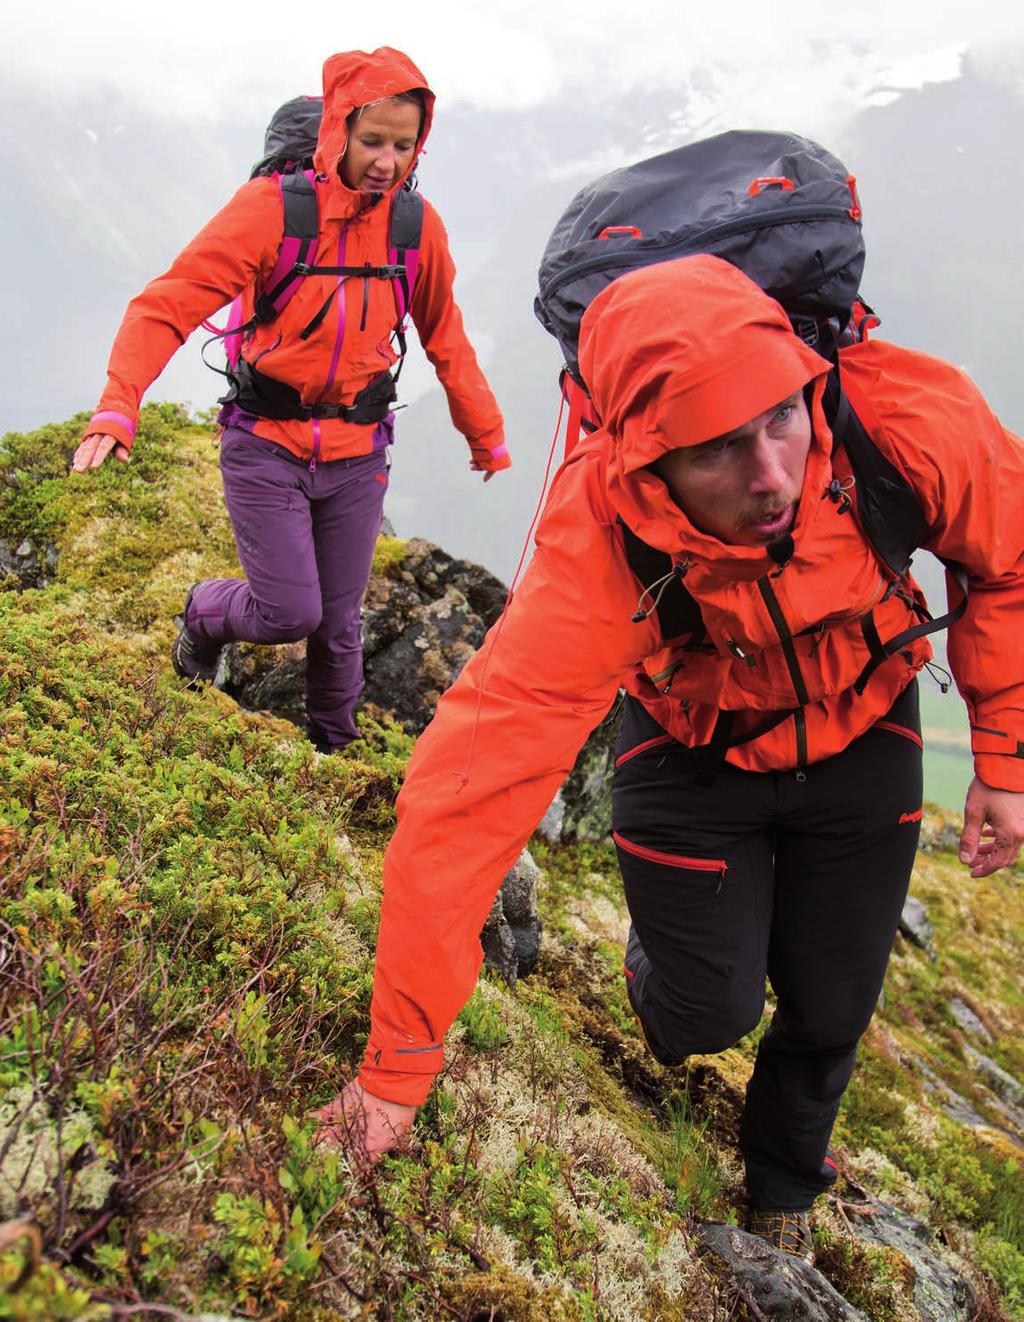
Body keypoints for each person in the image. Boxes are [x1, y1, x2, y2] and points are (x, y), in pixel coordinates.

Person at [313, 254, 1024, 1258]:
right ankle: (673, 965)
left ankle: (781, 1191)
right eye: (717, 450)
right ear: (645, 459)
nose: (771, 475)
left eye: (781, 419)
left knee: (829, 1010)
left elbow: (1009, 551)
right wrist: (393, 1073)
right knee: (699, 1017)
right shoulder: (600, 544)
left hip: (865, 724)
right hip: (693, 749)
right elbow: (467, 795)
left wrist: (999, 755)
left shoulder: (900, 416)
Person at [70, 47, 509, 752]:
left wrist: (484, 432)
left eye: (404, 145)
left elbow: (446, 336)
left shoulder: (414, 228)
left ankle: (334, 745)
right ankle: (202, 618)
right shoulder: (270, 213)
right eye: (372, 141)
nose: (388, 161)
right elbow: (165, 307)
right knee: (289, 612)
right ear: (336, 129)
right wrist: (118, 406)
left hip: (359, 450)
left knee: (338, 623)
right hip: (265, 442)